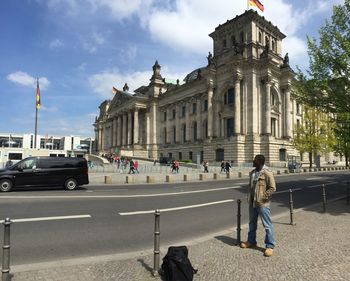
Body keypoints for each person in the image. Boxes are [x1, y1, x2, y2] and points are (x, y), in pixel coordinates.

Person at [240, 154, 276, 257]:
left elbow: (272, 187)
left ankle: (270, 246)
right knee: (252, 223)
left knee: (267, 225)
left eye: (255, 160)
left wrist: (263, 196)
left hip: (262, 203)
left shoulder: (267, 173)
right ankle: (251, 241)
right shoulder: (252, 172)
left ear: (259, 162)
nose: (253, 161)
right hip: (252, 203)